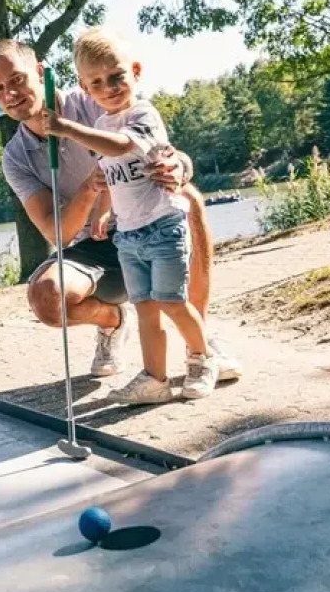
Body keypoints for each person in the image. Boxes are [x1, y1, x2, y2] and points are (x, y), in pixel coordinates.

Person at [0, 37, 240, 385]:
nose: (10, 93)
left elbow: (163, 150)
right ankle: (112, 322)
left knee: (188, 198)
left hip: (150, 223)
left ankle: (201, 341)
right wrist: (90, 189)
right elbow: (58, 234)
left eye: (16, 80)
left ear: (40, 72)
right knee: (46, 298)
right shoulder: (15, 157)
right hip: (96, 246)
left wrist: (180, 165)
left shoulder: (93, 96)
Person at [44, 29, 222, 403]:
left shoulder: (142, 114)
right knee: (144, 309)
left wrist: (66, 129)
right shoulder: (102, 124)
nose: (108, 88)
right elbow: (113, 170)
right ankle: (155, 378)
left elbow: (123, 146)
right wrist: (104, 208)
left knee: (172, 301)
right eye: (97, 83)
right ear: (84, 88)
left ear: (135, 71)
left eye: (116, 77)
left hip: (162, 226)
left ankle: (203, 358)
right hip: (129, 235)